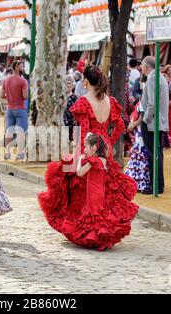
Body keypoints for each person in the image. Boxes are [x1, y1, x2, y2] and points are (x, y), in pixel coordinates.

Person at [38, 65, 138, 251]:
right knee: (104, 193)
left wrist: (82, 152)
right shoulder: (110, 101)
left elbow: (83, 131)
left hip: (88, 148)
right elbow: (120, 126)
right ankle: (101, 232)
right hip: (104, 152)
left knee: (81, 192)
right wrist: (108, 143)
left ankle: (87, 232)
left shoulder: (84, 101)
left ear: (85, 81)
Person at [140, 56, 169, 194]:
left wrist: (144, 119)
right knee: (157, 153)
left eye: (142, 66)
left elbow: (152, 103)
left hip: (152, 122)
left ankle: (155, 185)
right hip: (158, 121)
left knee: (153, 154)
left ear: (146, 66)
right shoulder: (160, 77)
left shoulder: (152, 78)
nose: (141, 68)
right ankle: (158, 184)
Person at [2, 60, 28, 161]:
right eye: (21, 66)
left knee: (9, 131)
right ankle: (20, 153)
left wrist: (10, 96)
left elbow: (1, 95)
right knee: (21, 132)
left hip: (9, 109)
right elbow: (24, 96)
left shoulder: (6, 80)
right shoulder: (23, 81)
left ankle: (7, 153)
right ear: (17, 67)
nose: (23, 68)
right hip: (20, 109)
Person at [125, 102, 150, 192]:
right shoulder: (141, 100)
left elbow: (141, 117)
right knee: (139, 154)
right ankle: (138, 181)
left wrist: (133, 124)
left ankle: (141, 182)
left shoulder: (143, 100)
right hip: (138, 131)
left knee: (141, 153)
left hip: (141, 131)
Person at [63, 76, 77, 142]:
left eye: (70, 83)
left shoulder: (75, 97)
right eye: (66, 83)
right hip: (62, 122)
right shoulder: (61, 96)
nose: (68, 85)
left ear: (72, 85)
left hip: (71, 123)